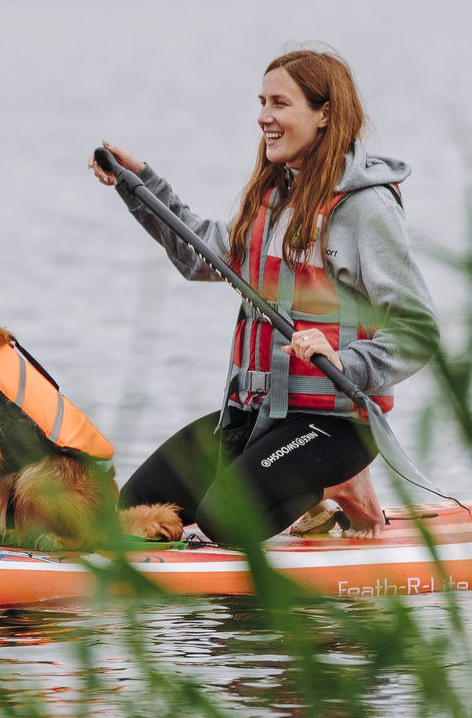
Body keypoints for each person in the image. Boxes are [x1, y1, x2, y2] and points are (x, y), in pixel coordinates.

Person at [89, 47, 439, 539]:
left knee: (223, 521)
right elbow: (199, 254)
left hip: (337, 425)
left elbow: (418, 331)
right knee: (138, 508)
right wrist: (139, 184)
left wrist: (346, 361)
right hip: (259, 414)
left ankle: (337, 485)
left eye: (279, 104)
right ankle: (306, 489)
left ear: (325, 114)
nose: (263, 117)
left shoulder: (366, 208)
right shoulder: (273, 198)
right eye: (262, 102)